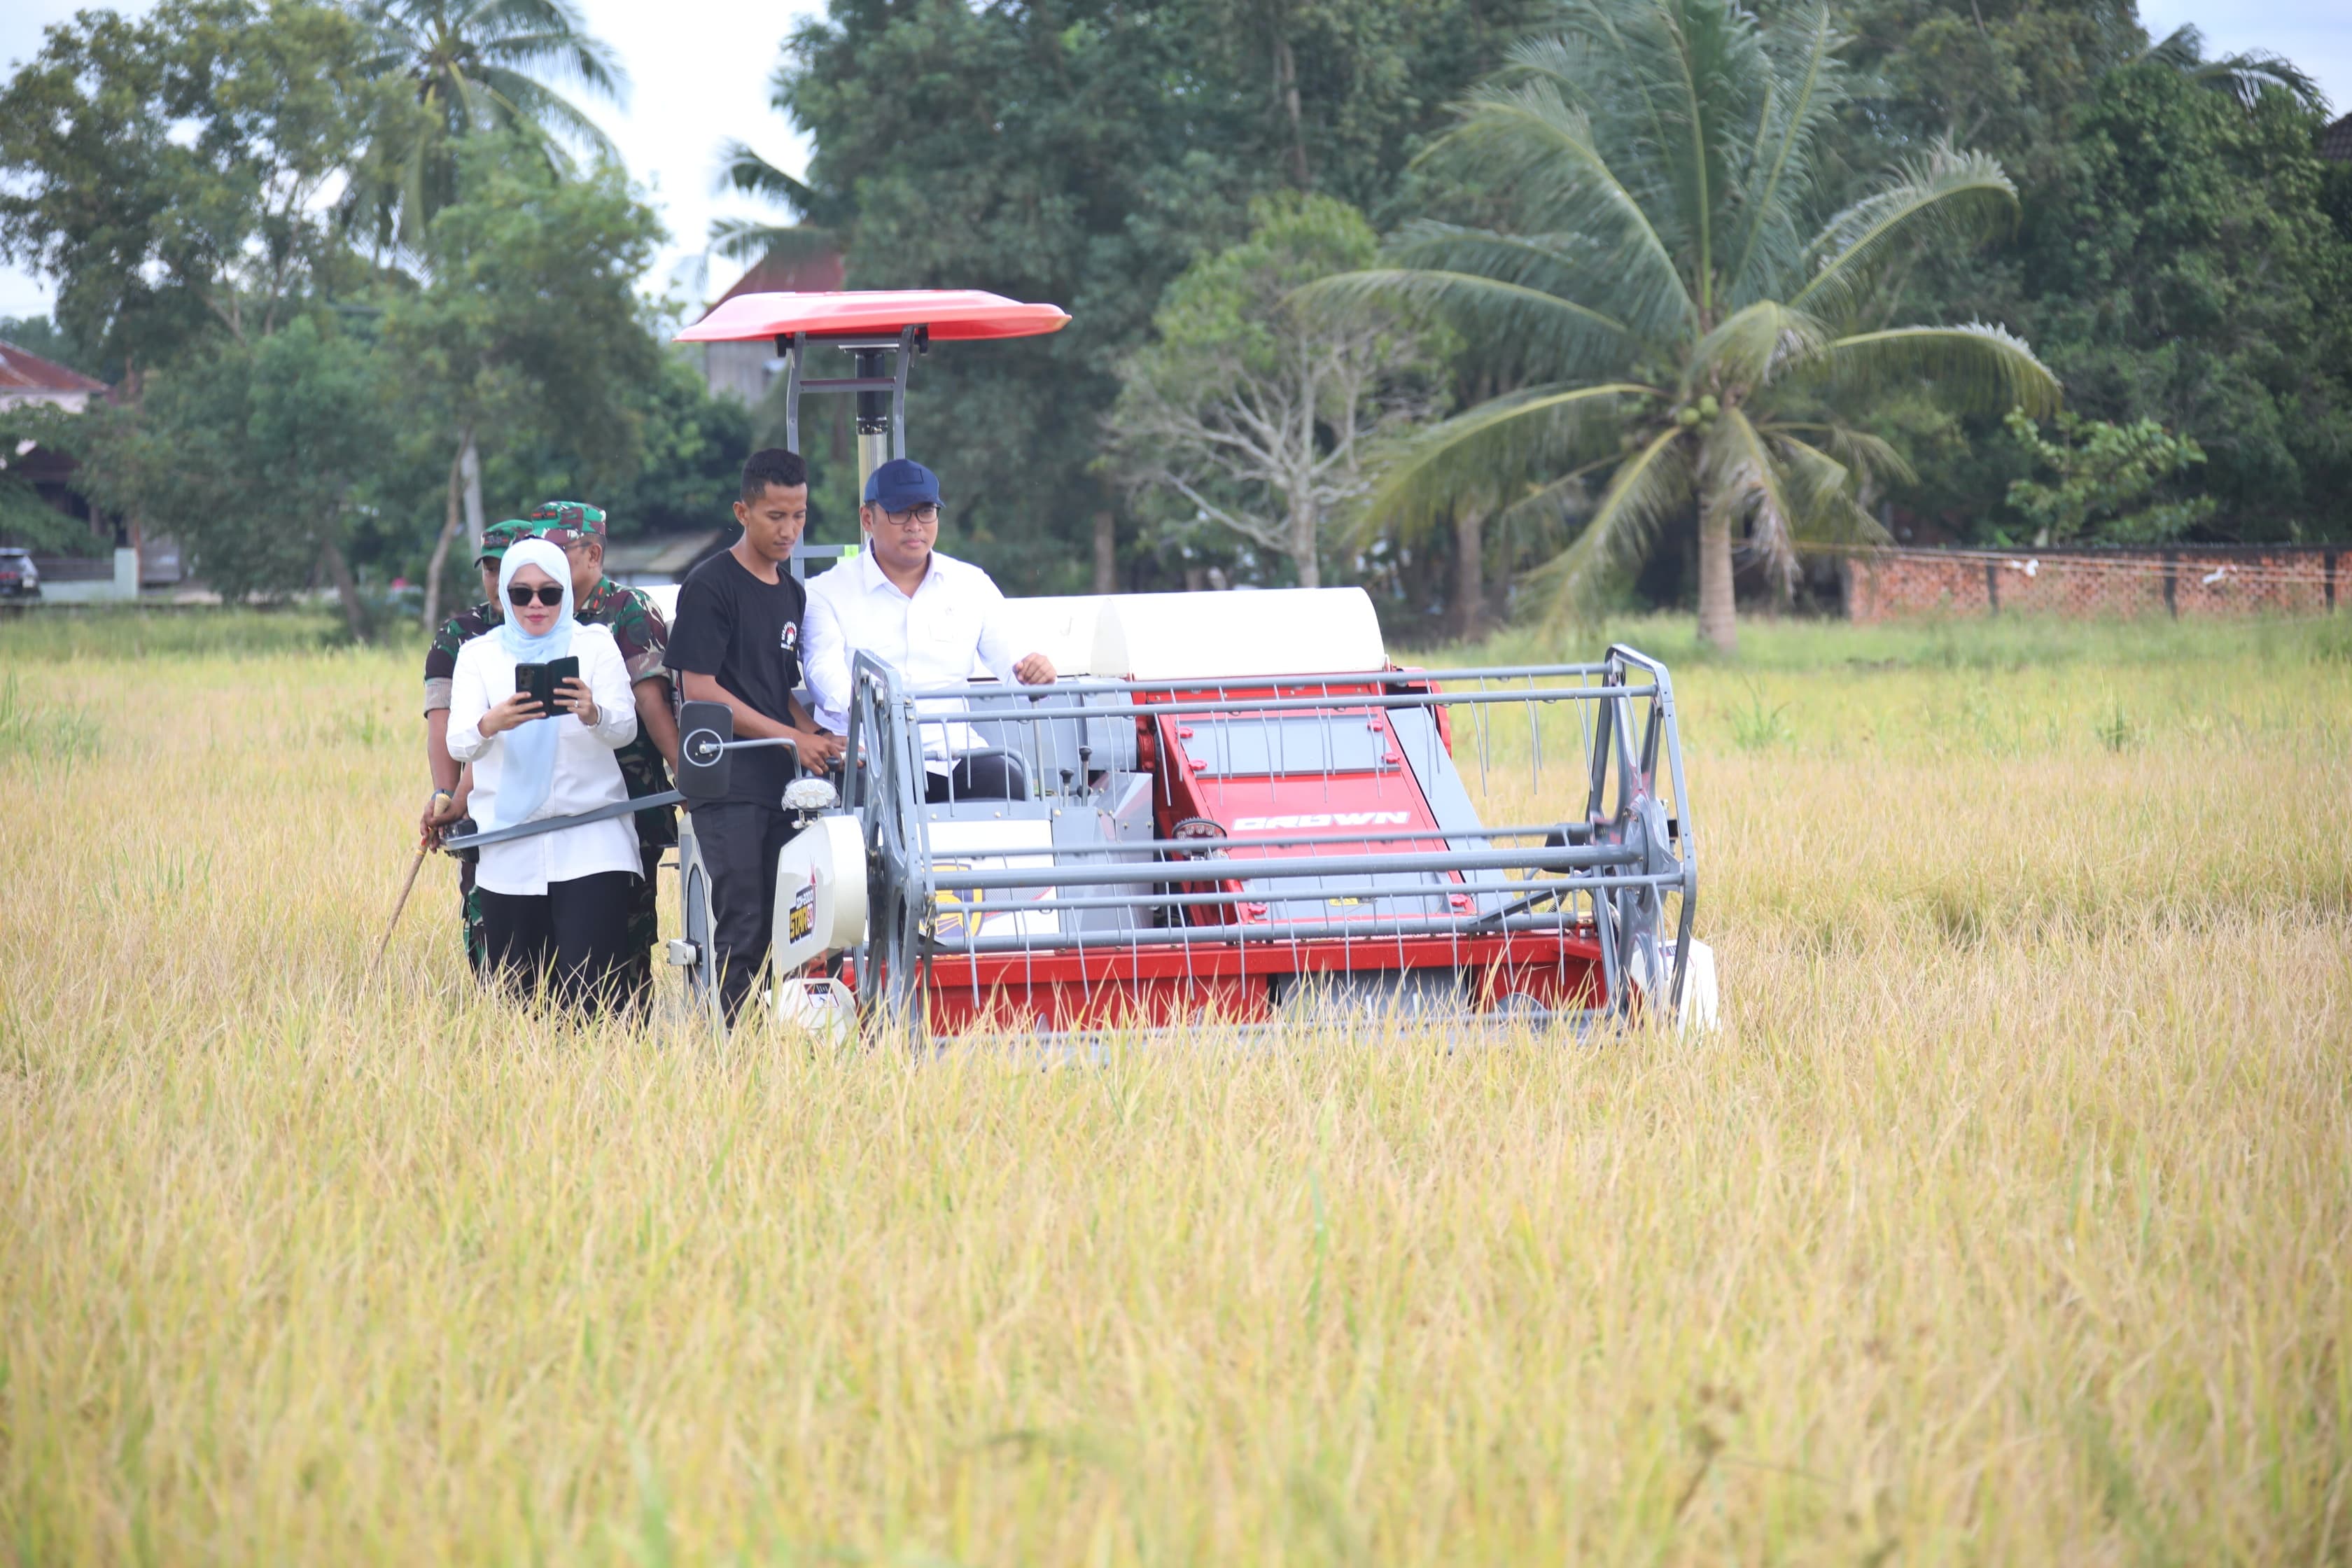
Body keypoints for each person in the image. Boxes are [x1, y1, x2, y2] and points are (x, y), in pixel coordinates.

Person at [664, 448, 846, 1023]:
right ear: (743, 512)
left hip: (782, 787)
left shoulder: (792, 593)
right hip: (729, 782)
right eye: (776, 516)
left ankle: (786, 1037)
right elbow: (702, 689)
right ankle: (736, 1045)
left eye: (799, 515)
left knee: (793, 921)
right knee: (743, 920)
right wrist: (793, 740)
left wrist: (816, 735)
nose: (789, 530)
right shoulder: (710, 586)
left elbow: (776, 688)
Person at [445, 539, 641, 1013]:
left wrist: (593, 712)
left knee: (593, 998)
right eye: (521, 594)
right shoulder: (479, 655)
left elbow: (626, 729)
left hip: (592, 843)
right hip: (509, 851)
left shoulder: (595, 644)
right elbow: (459, 743)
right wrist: (492, 722)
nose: (536, 605)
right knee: (519, 1002)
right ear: (504, 596)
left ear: (566, 594)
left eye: (550, 593)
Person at [802, 457, 1057, 802]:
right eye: (900, 513)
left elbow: (1016, 664)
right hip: (863, 754)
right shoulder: (825, 592)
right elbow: (822, 672)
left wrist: (1036, 673)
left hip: (951, 754)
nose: (915, 525)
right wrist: (870, 710)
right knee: (851, 796)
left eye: (925, 512)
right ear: (867, 519)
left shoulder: (971, 584)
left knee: (1007, 784)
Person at [528, 499, 679, 1014]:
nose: (543, 565)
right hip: (546, 803)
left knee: (623, 942)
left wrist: (685, 775)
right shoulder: (532, 614)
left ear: (593, 554)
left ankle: (625, 1043)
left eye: (558, 552)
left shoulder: (626, 609)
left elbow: (652, 701)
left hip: (626, 802)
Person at [419, 517, 534, 970]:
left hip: (552, 801)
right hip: (483, 803)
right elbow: (442, 726)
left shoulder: (567, 627)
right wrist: (446, 797)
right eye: (490, 569)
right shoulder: (458, 636)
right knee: (491, 936)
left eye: (509, 568)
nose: (498, 580)